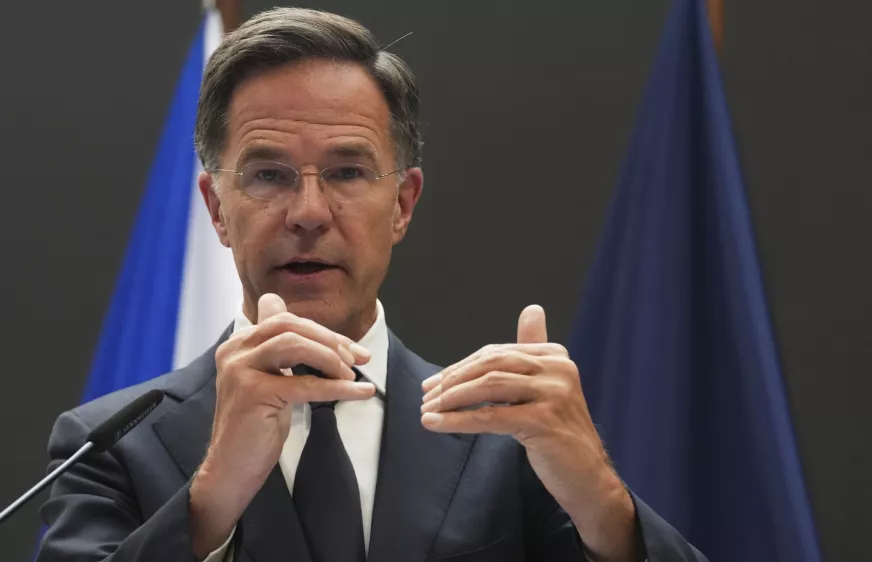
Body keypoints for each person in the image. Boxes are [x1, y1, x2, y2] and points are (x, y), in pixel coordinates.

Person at [36, 8, 706, 562]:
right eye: (268, 175)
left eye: (348, 172)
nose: (307, 213)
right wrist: (210, 499)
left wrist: (602, 501)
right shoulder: (110, 446)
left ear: (403, 205)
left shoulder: (507, 441)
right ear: (216, 208)